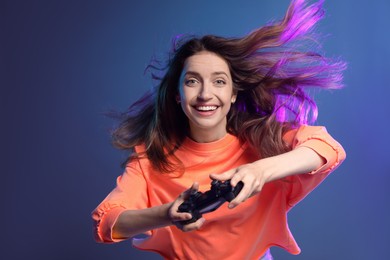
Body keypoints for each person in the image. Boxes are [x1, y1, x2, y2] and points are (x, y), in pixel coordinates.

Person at [92, 0, 346, 259]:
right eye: (192, 81)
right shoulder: (150, 159)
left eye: (219, 82)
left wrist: (259, 170)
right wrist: (167, 214)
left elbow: (328, 148)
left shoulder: (260, 142)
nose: (205, 94)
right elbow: (106, 223)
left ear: (233, 93)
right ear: (178, 95)